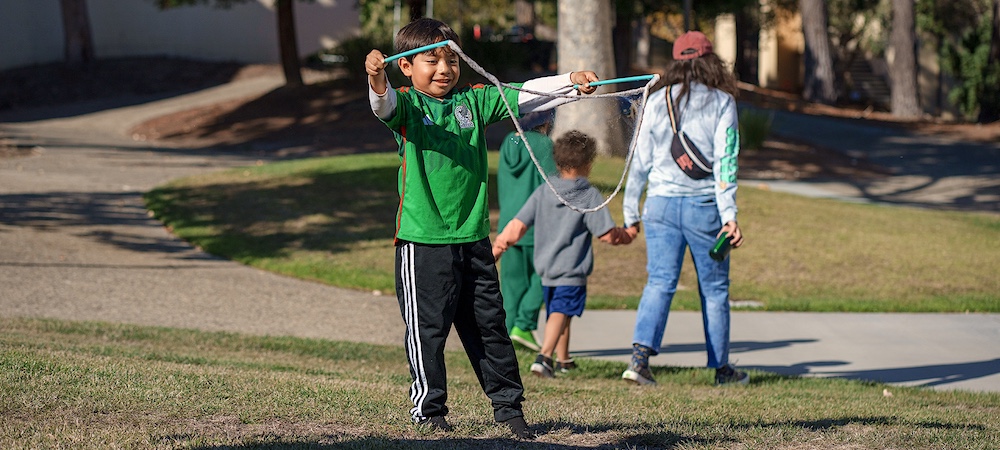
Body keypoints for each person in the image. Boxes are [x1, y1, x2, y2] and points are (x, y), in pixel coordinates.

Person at [364, 18, 600, 438]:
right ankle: (430, 412)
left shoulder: (475, 101)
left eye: (452, 60)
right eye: (431, 60)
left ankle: (509, 410)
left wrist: (569, 80)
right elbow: (382, 106)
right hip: (422, 244)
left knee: (491, 327)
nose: (443, 69)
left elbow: (523, 94)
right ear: (405, 67)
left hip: (474, 241)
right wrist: (376, 79)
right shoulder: (406, 105)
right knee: (428, 331)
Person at [619, 31, 748, 386]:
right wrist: (730, 216)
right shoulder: (722, 102)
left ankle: (639, 361)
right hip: (704, 207)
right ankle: (722, 369)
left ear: (675, 62)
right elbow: (726, 163)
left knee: (659, 282)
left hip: (659, 205)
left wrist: (631, 212)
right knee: (715, 289)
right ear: (711, 61)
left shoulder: (655, 101)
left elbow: (639, 162)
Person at [493, 130, 633, 378]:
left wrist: (499, 245)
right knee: (561, 311)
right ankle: (544, 358)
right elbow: (607, 235)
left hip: (546, 268)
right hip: (571, 269)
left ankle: (563, 359)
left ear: (557, 162)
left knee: (560, 312)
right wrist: (626, 235)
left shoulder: (545, 191)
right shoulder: (588, 195)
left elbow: (518, 224)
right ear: (589, 164)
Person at [497, 111, 556, 354]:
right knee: (544, 276)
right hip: (536, 224)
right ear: (545, 120)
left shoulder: (507, 142)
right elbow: (555, 184)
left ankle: (509, 336)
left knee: (511, 283)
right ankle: (524, 324)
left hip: (508, 224)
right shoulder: (544, 144)